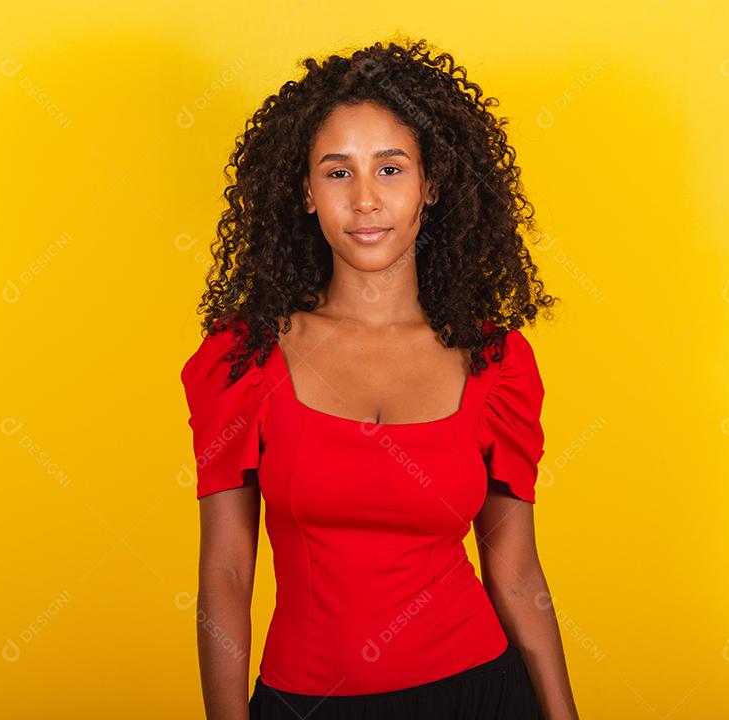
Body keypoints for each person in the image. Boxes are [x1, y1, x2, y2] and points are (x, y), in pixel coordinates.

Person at [180, 37, 579, 720]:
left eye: (390, 169)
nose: (365, 199)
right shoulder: (244, 361)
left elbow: (515, 576)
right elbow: (226, 574)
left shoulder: (496, 365)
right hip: (304, 702)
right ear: (305, 192)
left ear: (432, 184)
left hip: (480, 693)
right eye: (338, 173)